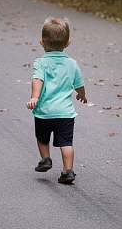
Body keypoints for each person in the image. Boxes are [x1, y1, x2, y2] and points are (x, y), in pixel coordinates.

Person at [26, 16, 87, 184]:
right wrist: (82, 95)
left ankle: (45, 159)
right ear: (68, 43)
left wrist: (35, 97)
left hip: (44, 112)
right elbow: (79, 84)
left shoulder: (41, 62)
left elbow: (37, 79)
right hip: (65, 113)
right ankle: (68, 171)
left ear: (41, 42)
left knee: (42, 138)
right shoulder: (72, 64)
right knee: (66, 142)